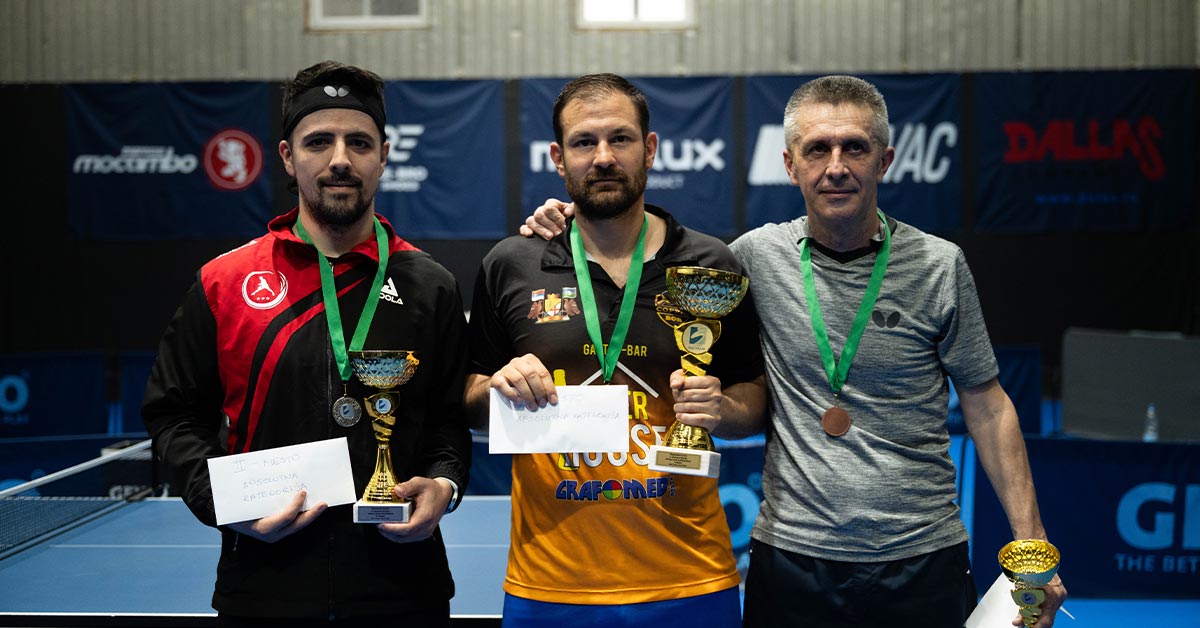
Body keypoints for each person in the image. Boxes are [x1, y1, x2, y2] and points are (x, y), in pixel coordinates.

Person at [521, 75, 1067, 628]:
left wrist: (1033, 548)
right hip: (791, 561)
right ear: (790, 164)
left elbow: (988, 407)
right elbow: (638, 245)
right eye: (817, 149)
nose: (836, 167)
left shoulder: (939, 265)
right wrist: (569, 218)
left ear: (885, 160)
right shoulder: (750, 260)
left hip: (923, 556)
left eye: (855, 148)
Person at [142, 60, 471, 627]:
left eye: (359, 143)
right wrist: (223, 504)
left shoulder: (429, 285)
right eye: (319, 141)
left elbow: (447, 418)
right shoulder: (224, 282)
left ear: (383, 156)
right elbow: (174, 416)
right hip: (264, 588)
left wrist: (446, 483)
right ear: (289, 157)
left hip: (404, 589)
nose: (340, 159)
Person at [464, 73, 767, 628]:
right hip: (549, 587)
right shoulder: (512, 264)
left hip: (691, 579)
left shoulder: (711, 265)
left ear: (649, 149)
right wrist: (500, 388)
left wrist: (721, 408)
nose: (603, 157)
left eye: (620, 139)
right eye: (584, 142)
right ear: (559, 159)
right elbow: (468, 396)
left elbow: (754, 396)